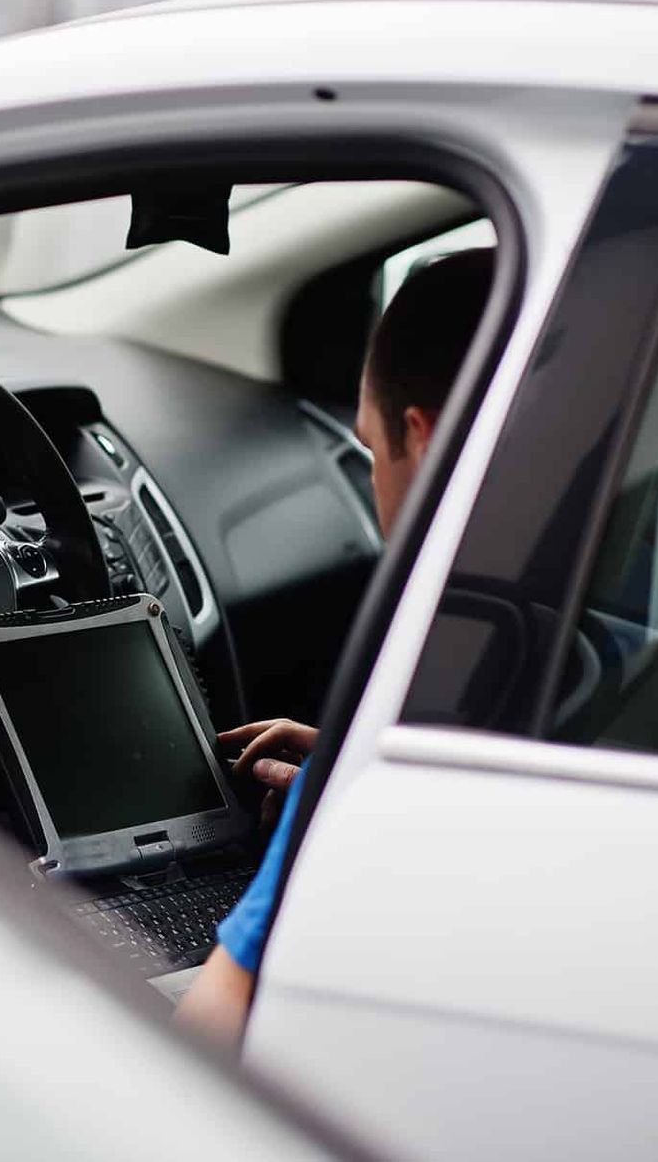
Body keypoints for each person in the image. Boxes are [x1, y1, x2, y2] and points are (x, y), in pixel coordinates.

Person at [175, 245, 495, 1045]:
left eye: (367, 447)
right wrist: (337, 756)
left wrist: (345, 784)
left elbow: (209, 1036)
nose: (373, 475)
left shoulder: (439, 686)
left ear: (419, 438)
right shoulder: (597, 624)